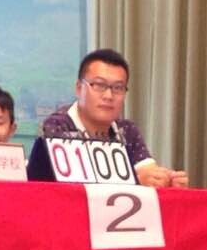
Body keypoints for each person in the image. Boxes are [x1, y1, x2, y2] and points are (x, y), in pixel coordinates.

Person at [41, 48, 188, 188]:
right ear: (79, 88)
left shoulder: (127, 130)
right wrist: (136, 181)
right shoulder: (57, 125)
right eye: (99, 85)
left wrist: (165, 180)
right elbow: (72, 187)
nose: (108, 96)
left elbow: (147, 170)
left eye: (118, 88)